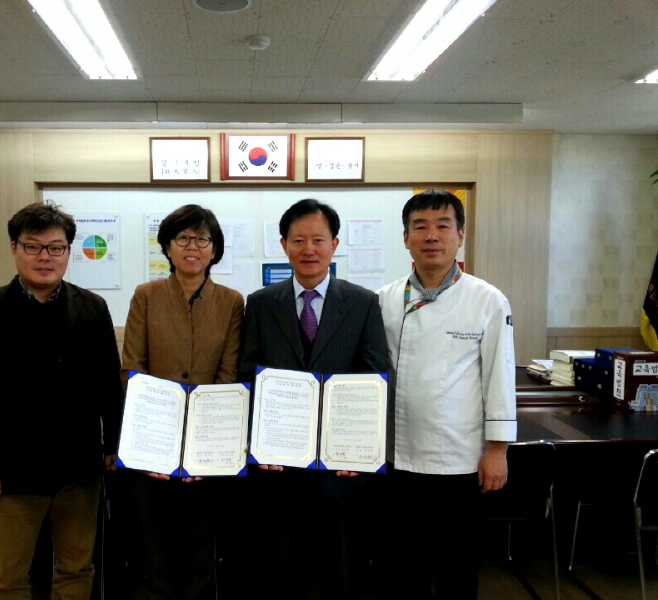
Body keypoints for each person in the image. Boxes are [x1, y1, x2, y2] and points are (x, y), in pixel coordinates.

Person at [0, 202, 123, 600]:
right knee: (9, 577)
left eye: (56, 247)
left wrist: (114, 446)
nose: (45, 257)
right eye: (33, 246)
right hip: (13, 471)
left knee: (76, 570)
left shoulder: (92, 308)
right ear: (14, 249)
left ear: (68, 252)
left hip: (79, 468)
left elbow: (108, 388)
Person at [238, 198, 390, 600]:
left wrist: (363, 452)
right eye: (299, 239)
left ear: (335, 244)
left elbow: (375, 378)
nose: (309, 249)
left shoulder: (361, 302)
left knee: (339, 570)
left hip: (339, 468)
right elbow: (246, 377)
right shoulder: (259, 303)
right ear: (284, 244)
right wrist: (255, 440)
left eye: (318, 240)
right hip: (277, 466)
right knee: (277, 568)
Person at [376, 189, 517, 599]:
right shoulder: (384, 299)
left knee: (458, 567)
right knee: (404, 567)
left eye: (443, 226)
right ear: (406, 238)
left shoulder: (487, 299)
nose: (431, 236)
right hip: (396, 459)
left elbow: (499, 377)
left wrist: (498, 450)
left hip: (460, 461)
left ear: (460, 235)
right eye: (420, 227)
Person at [119, 204, 243, 599]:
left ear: (214, 249)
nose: (193, 246)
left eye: (202, 239)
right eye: (183, 238)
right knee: (153, 550)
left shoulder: (231, 301)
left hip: (209, 451)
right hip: (152, 447)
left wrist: (200, 448)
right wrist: (158, 446)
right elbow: (132, 369)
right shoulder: (146, 296)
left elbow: (230, 375)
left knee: (200, 549)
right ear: (168, 247)